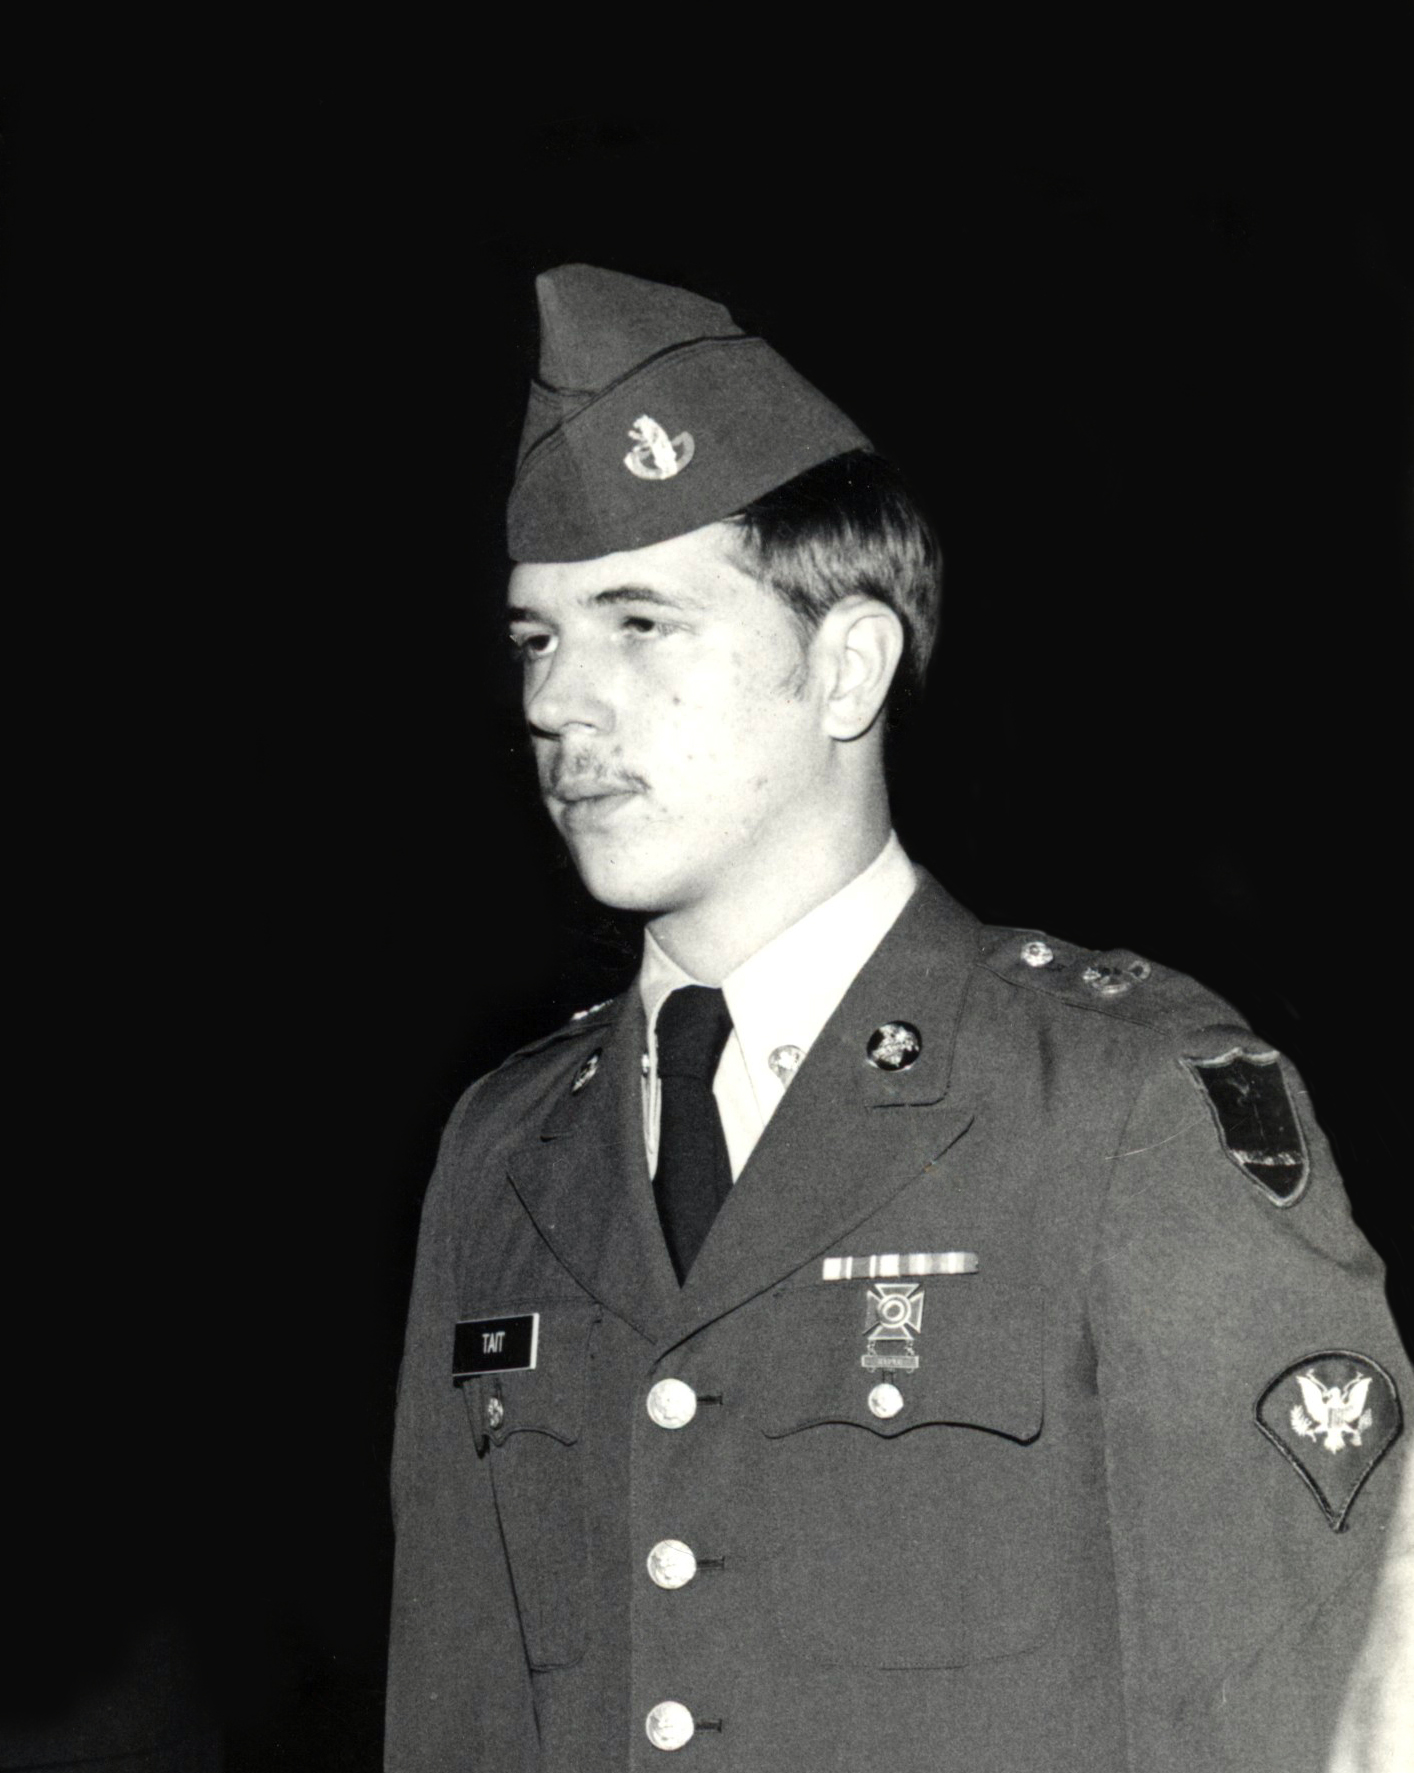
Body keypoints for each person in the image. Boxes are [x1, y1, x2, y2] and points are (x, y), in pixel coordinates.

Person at [385, 264, 1410, 1772]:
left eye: (639, 622)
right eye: (538, 639)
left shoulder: (1116, 1101)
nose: (557, 703)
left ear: (845, 666)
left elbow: (1306, 1705)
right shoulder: (502, 1152)